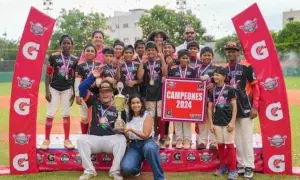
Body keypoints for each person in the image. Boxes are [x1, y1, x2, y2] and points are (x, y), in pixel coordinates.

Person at [77, 70, 126, 180]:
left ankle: (114, 171)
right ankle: (89, 170)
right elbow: (81, 88)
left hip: (110, 140)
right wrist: (93, 76)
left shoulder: (119, 105)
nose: (105, 94)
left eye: (108, 91)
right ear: (99, 93)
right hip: (95, 139)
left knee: (121, 139)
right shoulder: (93, 101)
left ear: (112, 92)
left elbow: (124, 125)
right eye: (102, 91)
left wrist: (121, 129)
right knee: (81, 139)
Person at [224, 41, 260, 179]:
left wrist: (255, 107)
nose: (231, 53)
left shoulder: (246, 66)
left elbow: (256, 88)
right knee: (237, 140)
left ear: (238, 52)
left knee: (247, 139)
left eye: (233, 51)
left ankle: (249, 166)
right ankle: (240, 165)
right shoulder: (225, 68)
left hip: (246, 108)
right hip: (231, 110)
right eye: (229, 51)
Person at [41, 35, 78, 150]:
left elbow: (74, 77)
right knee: (50, 114)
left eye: (68, 43)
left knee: (66, 114)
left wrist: (73, 93)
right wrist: (47, 91)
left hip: (67, 89)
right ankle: (47, 139)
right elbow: (47, 74)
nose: (66, 45)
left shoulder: (75, 59)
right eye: (64, 43)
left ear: (72, 45)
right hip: (54, 88)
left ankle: (67, 139)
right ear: (60, 45)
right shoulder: (53, 57)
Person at [120, 94, 165, 180]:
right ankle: (137, 168)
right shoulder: (128, 116)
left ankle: (160, 178)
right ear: (130, 104)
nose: (135, 105)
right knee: (126, 169)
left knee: (150, 149)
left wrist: (131, 129)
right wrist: (123, 131)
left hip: (147, 142)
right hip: (134, 145)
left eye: (138, 102)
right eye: (133, 103)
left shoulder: (147, 115)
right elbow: (129, 137)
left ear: (141, 104)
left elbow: (145, 135)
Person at [208, 67, 238, 180]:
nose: (215, 77)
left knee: (229, 145)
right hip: (216, 122)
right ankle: (222, 166)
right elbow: (209, 108)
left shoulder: (230, 90)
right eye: (214, 75)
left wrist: (232, 122)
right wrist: (211, 123)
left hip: (227, 123)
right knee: (220, 145)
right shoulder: (213, 91)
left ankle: (233, 170)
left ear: (224, 77)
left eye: (218, 75)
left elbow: (235, 107)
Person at [137, 41, 167, 148]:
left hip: (159, 94)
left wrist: (162, 58)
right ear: (146, 52)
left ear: (156, 52)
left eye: (153, 50)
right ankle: (152, 136)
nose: (150, 52)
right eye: (148, 50)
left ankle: (162, 137)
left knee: (161, 117)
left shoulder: (159, 62)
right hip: (148, 95)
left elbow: (165, 73)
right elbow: (140, 77)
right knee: (150, 117)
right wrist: (142, 61)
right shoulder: (144, 64)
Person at [168, 49, 194, 149]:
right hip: (176, 99)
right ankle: (179, 139)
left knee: (187, 119)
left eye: (187, 58)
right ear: (179, 59)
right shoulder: (173, 70)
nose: (185, 60)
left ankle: (187, 139)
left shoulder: (192, 70)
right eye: (183, 58)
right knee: (177, 119)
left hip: (187, 99)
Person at [193, 47, 218, 150]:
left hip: (213, 98)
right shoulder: (196, 69)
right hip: (200, 99)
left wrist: (214, 84)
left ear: (212, 56)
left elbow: (222, 81)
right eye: (204, 55)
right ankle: (202, 141)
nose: (207, 57)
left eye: (209, 55)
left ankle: (214, 142)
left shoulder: (216, 68)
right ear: (200, 56)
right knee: (201, 120)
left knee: (213, 119)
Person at [75, 43, 102, 134]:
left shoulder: (99, 64)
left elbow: (101, 78)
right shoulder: (80, 65)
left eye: (92, 51)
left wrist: (96, 81)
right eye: (87, 50)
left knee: (97, 116)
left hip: (96, 93)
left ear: (95, 53)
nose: (90, 53)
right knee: (84, 117)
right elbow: (77, 81)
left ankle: (94, 135)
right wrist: (77, 95)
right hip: (84, 92)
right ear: (84, 52)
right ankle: (84, 136)